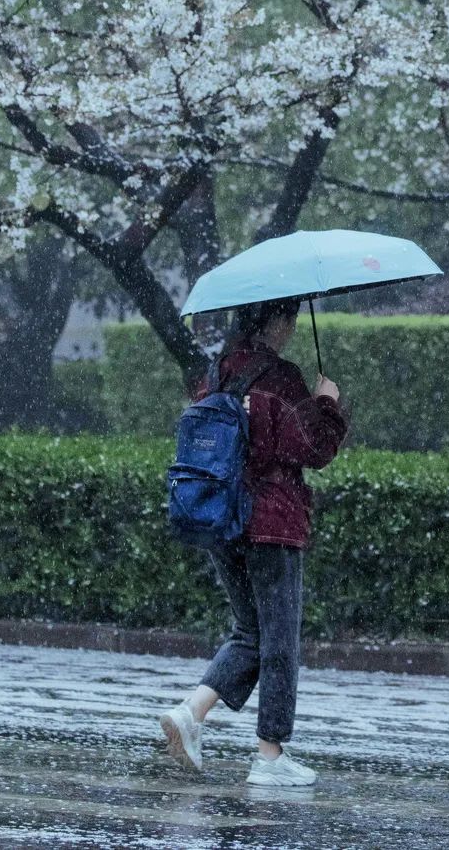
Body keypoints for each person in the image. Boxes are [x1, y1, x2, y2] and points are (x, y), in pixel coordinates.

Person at [160, 296, 348, 788]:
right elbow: (314, 448)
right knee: (279, 638)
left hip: (220, 516)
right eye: (287, 319)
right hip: (271, 522)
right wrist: (327, 401)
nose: (290, 329)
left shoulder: (214, 374)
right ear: (274, 321)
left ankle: (191, 713)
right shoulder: (281, 377)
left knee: (250, 632)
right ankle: (270, 756)